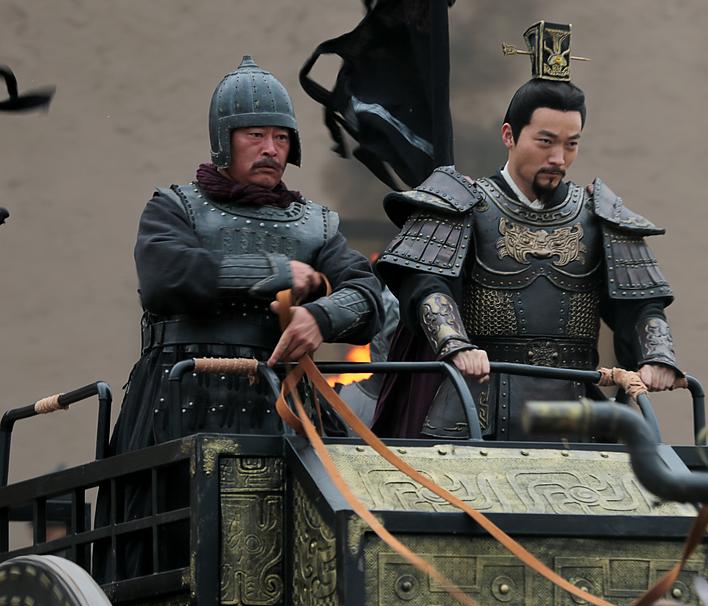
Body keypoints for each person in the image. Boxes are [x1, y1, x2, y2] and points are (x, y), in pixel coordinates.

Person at [374, 22, 679, 441]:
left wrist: (657, 356)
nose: (559, 158)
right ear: (509, 135)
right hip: (474, 409)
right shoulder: (464, 204)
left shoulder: (599, 214)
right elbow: (428, 286)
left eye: (571, 144)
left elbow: (641, 306)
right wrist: (457, 345)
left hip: (570, 412)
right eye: (546, 141)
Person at [110, 56, 384, 453]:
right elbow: (165, 278)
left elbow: (366, 294)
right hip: (177, 400)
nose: (271, 149)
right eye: (256, 135)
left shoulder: (316, 225)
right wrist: (274, 272)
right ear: (225, 139)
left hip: (280, 405)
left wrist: (320, 317)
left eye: (281, 138)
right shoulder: (174, 207)